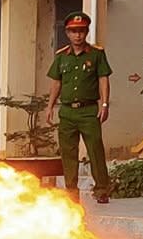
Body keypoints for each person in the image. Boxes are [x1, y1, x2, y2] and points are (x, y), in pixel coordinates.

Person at [45, 12, 113, 204]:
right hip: (66, 111)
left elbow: (103, 79)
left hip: (89, 110)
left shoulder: (96, 54)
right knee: (68, 153)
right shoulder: (61, 57)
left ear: (86, 32)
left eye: (81, 31)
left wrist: (105, 104)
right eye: (74, 31)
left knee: (95, 150)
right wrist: (50, 106)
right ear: (67, 33)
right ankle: (71, 192)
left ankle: (101, 190)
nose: (78, 35)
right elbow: (56, 83)